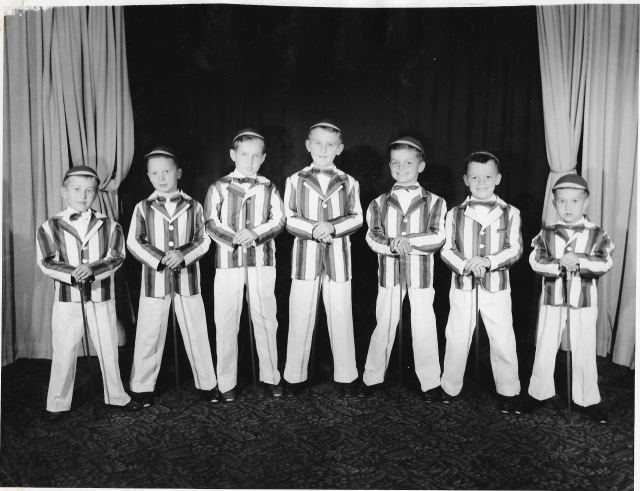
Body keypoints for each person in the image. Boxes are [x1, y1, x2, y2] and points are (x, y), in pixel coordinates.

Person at [36, 165, 141, 421]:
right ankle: (58, 403)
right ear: (64, 192)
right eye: (77, 190)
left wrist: (92, 270)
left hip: (101, 295)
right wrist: (74, 273)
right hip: (67, 298)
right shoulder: (50, 226)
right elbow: (47, 261)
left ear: (95, 194)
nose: (83, 195)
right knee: (64, 349)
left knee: (108, 345)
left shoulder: (109, 225)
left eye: (89, 191)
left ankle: (116, 396)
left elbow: (116, 256)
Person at [127, 146, 218, 406]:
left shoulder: (194, 206)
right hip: (154, 282)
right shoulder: (142, 207)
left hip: (188, 281)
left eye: (166, 171)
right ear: (148, 176)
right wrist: (160, 259)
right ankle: (142, 387)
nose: (161, 177)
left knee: (196, 331)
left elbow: (203, 239)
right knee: (149, 333)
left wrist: (183, 255)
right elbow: (134, 241)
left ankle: (207, 383)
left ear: (178, 172)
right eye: (155, 173)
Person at [358, 137, 447, 401]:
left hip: (421, 274)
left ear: (421, 166)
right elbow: (372, 237)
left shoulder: (435, 202)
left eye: (409, 162)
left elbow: (438, 237)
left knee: (424, 326)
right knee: (383, 324)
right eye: (396, 163)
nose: (402, 167)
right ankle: (372, 377)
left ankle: (430, 383)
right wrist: (391, 244)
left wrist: (407, 242)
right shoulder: (378, 202)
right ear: (389, 166)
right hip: (389, 273)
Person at [282, 119, 363, 397]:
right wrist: (316, 230)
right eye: (318, 143)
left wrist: (333, 227)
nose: (323, 149)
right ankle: (294, 376)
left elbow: (357, 217)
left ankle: (346, 376)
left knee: (341, 316)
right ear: (308, 145)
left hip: (339, 258)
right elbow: (289, 218)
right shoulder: (295, 179)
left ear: (339, 148)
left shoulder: (349, 182)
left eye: (330, 145)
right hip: (305, 258)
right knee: (300, 314)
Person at [204, 129, 285, 402]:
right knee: (226, 320)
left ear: (263, 158)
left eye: (255, 156)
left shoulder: (269, 187)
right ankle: (225, 382)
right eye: (244, 155)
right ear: (233, 155)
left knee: (265, 318)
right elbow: (210, 222)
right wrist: (235, 239)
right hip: (228, 263)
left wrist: (256, 234)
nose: (249, 161)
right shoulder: (219, 187)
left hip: (262, 260)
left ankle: (271, 376)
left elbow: (279, 220)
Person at [440, 151, 523, 413]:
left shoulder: (511, 212)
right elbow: (446, 248)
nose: (481, 182)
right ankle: (449, 386)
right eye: (474, 176)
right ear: (466, 180)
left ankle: (508, 390)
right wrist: (466, 265)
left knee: (502, 338)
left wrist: (488, 261)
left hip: (497, 286)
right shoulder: (454, 213)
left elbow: (515, 249)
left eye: (487, 176)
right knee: (456, 335)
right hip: (462, 286)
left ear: (497, 178)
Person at [527, 174, 614, 424]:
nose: (567, 207)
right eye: (562, 201)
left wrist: (581, 261)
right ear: (554, 203)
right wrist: (559, 264)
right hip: (552, 298)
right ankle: (539, 393)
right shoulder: (547, 232)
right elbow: (536, 261)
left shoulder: (597, 233)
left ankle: (587, 400)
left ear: (585, 203)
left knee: (585, 347)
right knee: (545, 344)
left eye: (574, 201)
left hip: (584, 300)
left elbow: (605, 262)